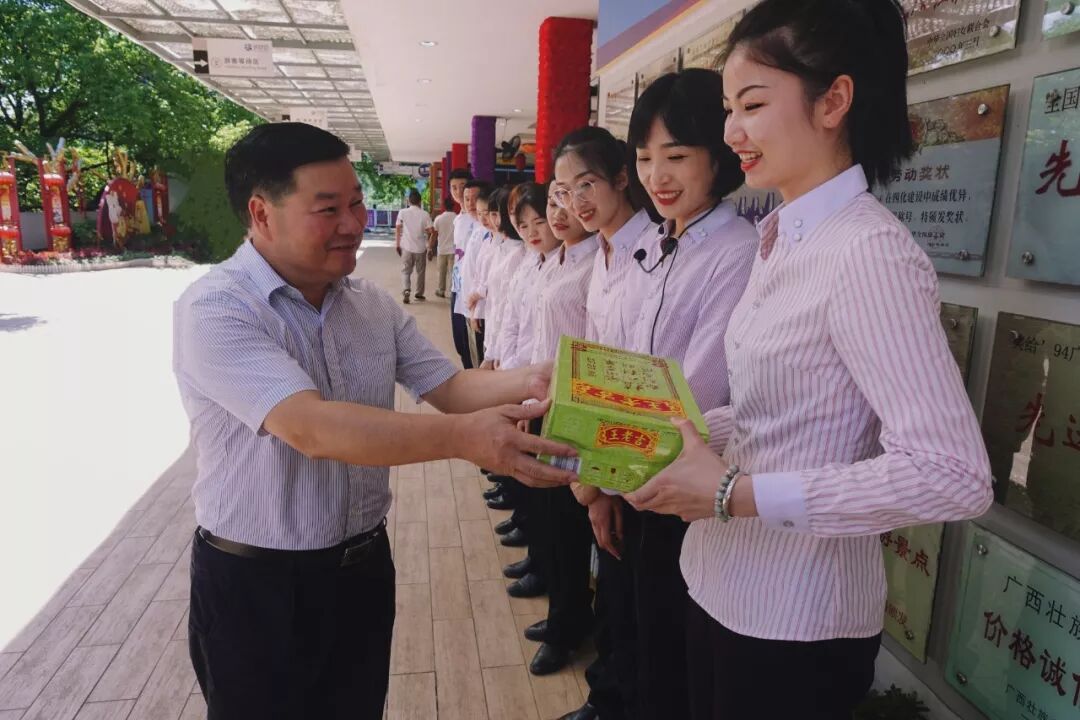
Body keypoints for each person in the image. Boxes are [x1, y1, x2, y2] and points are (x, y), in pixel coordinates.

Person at [624, 2, 993, 717]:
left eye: (752, 105)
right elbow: (777, 416)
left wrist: (735, 494)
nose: (732, 132)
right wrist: (679, 438)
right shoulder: (782, 238)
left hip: (795, 623)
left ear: (833, 101)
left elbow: (952, 475)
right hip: (717, 581)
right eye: (729, 109)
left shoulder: (868, 254)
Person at [173, 123, 578, 720]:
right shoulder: (217, 309)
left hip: (361, 570)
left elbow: (452, 388)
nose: (353, 223)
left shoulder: (370, 305)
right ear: (261, 213)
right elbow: (311, 428)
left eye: (357, 203)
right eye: (328, 209)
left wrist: (541, 378)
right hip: (256, 585)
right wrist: (467, 439)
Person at [552, 126, 654, 720]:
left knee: (638, 604)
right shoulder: (605, 256)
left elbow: (639, 381)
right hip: (609, 461)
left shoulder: (655, 253)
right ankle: (607, 697)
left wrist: (599, 480)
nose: (575, 203)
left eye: (585, 184)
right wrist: (591, 481)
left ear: (621, 177)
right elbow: (593, 371)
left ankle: (617, 701)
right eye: (565, 192)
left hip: (647, 461)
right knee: (616, 594)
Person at [520, 181, 601, 677]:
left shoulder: (595, 264)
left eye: (569, 198)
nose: (558, 211)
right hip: (544, 405)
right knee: (551, 520)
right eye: (554, 199)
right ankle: (561, 614)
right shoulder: (558, 261)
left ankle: (567, 627)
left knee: (570, 527)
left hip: (574, 416)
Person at [447, 170, 476, 367]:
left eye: (462, 187)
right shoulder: (458, 219)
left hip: (471, 289)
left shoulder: (478, 221)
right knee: (460, 341)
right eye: (454, 188)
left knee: (471, 344)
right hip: (457, 286)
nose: (458, 192)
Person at [394, 188, 432, 303]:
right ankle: (419, 294)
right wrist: (429, 245)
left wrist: (397, 244)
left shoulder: (402, 212)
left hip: (407, 248)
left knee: (406, 270)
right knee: (421, 272)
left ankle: (406, 289)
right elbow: (431, 231)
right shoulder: (425, 214)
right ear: (420, 201)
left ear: (408, 201)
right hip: (420, 248)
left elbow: (398, 228)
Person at [432, 194, 457, 298]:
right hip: (454, 250)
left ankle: (441, 290)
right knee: (452, 272)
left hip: (442, 249)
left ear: (444, 206)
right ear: (453, 206)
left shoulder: (439, 218)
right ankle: (452, 292)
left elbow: (434, 234)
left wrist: (430, 248)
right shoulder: (457, 218)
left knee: (441, 271)